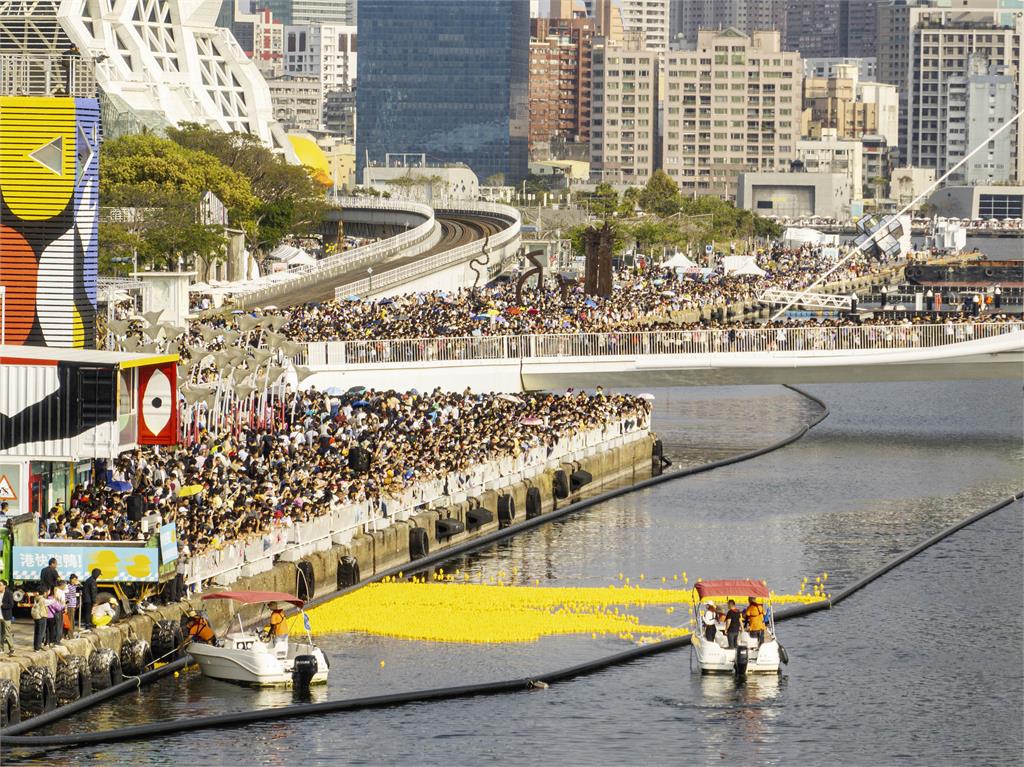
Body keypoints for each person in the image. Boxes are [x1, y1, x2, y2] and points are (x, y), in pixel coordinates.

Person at [0, 581, 15, 655]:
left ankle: (11, 648)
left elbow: (11, 605)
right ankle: (1, 648)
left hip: (6, 616)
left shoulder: (8, 594)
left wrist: (3, 605)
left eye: (0, 585)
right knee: (0, 634)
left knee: (7, 633)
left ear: (4, 586)